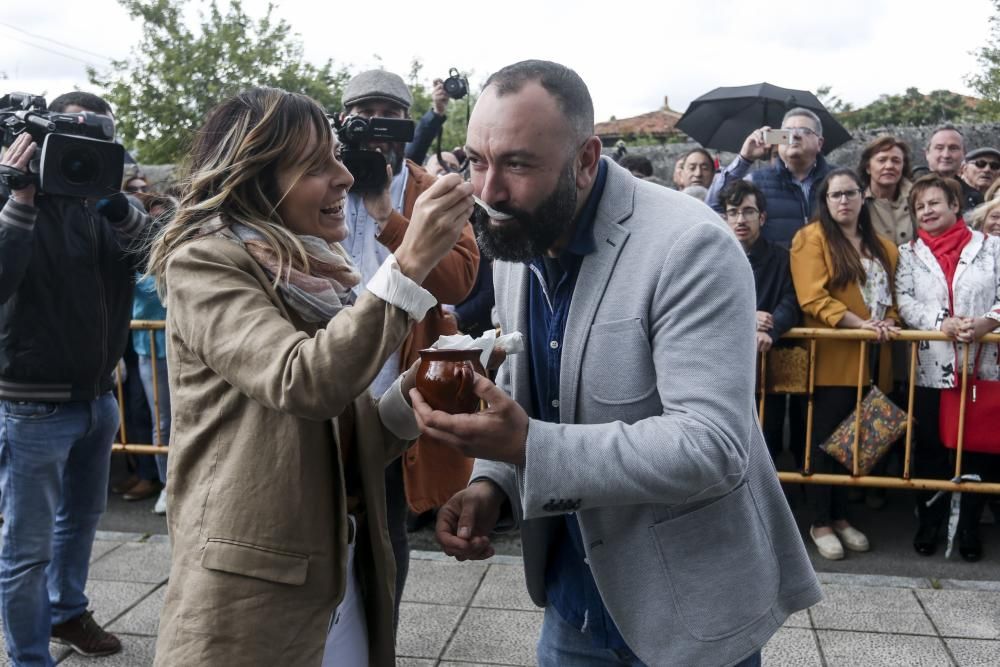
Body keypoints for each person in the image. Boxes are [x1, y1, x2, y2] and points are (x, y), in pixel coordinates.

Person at [414, 59, 820, 667]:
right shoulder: (516, 237)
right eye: (476, 161)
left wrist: (527, 449)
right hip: (572, 605)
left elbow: (711, 445)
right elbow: (534, 390)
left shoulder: (691, 245)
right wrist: (489, 482)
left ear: (585, 159)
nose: (487, 191)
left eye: (518, 164)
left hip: (688, 612)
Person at [148, 87, 473, 666]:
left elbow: (345, 436)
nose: (345, 177)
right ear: (256, 177)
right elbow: (303, 382)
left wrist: (422, 388)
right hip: (254, 589)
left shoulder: (319, 270)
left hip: (343, 569)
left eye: (339, 159)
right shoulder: (204, 262)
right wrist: (410, 265)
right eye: (317, 166)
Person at [0, 91, 152, 664]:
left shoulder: (102, 204)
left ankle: (67, 612)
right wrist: (18, 196)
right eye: (71, 148)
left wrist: (115, 202)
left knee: (80, 524)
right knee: (26, 549)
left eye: (95, 148)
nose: (80, 159)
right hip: (31, 404)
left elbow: (157, 255)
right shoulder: (17, 200)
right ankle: (29, 658)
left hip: (98, 396)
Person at [339, 69, 480, 623]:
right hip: (321, 384)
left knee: (385, 533)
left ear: (407, 124)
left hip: (391, 396)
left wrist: (384, 212)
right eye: (363, 117)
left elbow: (458, 281)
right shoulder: (314, 177)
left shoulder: (434, 190)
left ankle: (379, 647)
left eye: (389, 118)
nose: (376, 133)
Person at [789, 168, 900, 561]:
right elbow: (812, 298)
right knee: (824, 443)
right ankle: (820, 520)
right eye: (834, 195)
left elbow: (894, 300)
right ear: (825, 201)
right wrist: (860, 325)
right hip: (832, 357)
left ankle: (841, 516)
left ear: (863, 196)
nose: (843, 201)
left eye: (849, 193)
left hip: (875, 357)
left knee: (855, 444)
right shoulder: (811, 239)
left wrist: (889, 323)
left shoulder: (885, 247)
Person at [894, 174, 1000, 561]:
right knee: (931, 449)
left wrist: (989, 321)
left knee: (977, 449)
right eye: (920, 206)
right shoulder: (908, 254)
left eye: (935, 203)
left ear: (955, 205)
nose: (927, 211)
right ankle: (930, 519)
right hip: (931, 368)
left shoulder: (992, 247)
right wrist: (942, 322)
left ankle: (969, 526)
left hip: (983, 366)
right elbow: (904, 301)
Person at [719, 180, 801, 463]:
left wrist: (772, 328)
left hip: (768, 362)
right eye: (733, 212)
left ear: (762, 217)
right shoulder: (715, 256)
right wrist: (747, 317)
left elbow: (792, 300)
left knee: (770, 436)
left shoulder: (781, 257)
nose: (740, 219)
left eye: (748, 211)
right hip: (725, 364)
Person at [706, 108, 833, 248]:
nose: (795, 136)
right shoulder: (757, 181)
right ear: (778, 140)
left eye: (804, 131)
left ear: (819, 143)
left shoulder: (838, 180)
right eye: (787, 132)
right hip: (776, 268)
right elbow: (713, 207)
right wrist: (744, 158)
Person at [858, 136, 915, 246]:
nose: (889, 166)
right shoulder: (857, 202)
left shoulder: (918, 198)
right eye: (882, 160)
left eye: (896, 161)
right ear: (868, 167)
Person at [925, 126, 983, 213]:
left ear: (964, 153)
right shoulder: (909, 191)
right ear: (927, 154)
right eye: (939, 148)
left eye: (953, 148)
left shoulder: (975, 199)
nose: (946, 155)